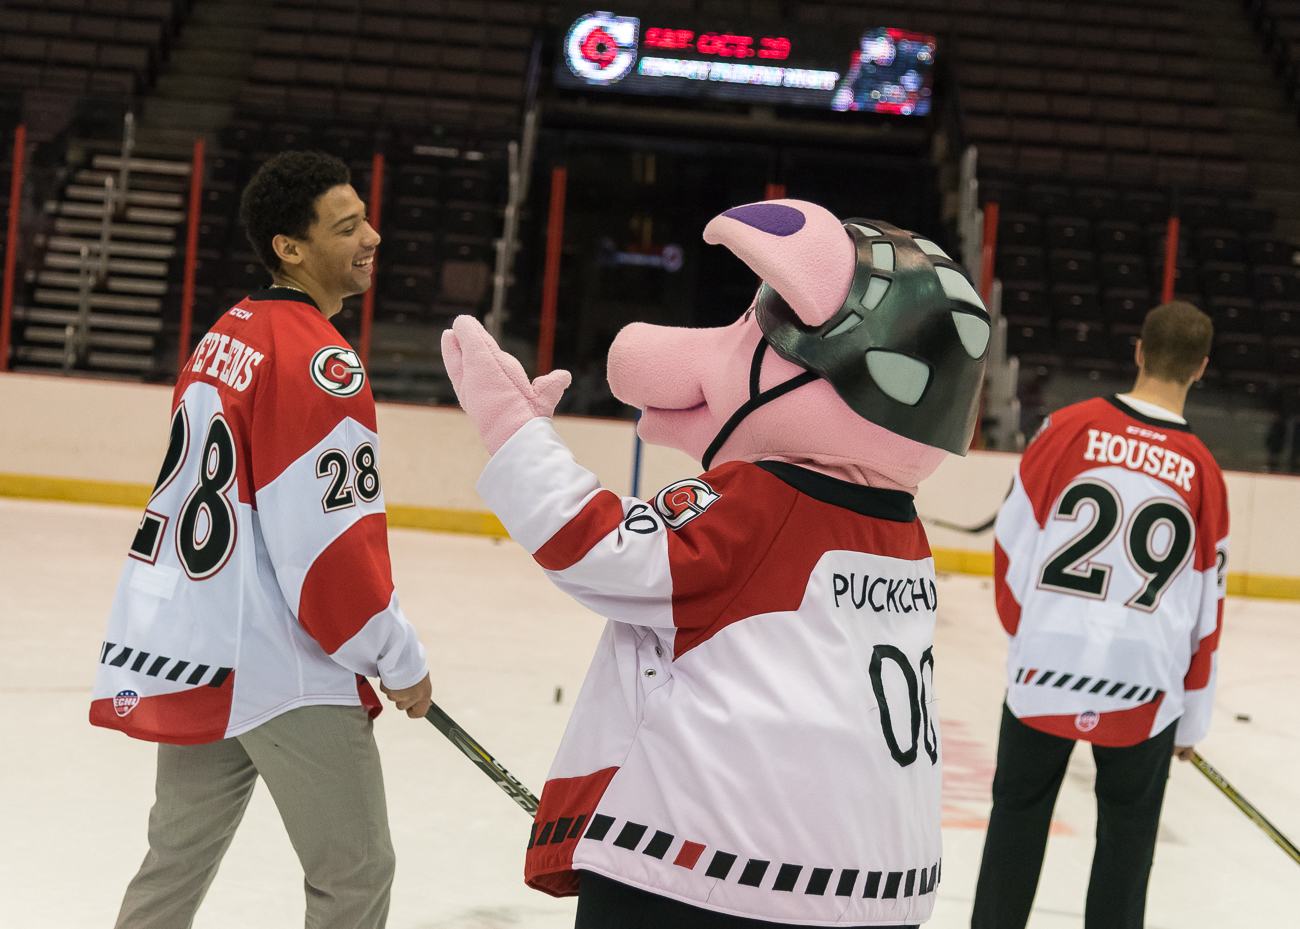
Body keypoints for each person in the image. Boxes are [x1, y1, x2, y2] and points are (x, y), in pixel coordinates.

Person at [90, 151, 433, 929]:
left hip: (200, 647)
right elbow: (328, 548)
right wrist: (397, 657)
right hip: (284, 661)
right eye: (347, 227)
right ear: (290, 247)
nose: (372, 236)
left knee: (175, 857)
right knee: (356, 870)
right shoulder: (320, 359)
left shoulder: (226, 333)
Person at [973, 300, 1229, 929]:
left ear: (1138, 351)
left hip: (1046, 668)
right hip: (1144, 685)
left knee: (1017, 820)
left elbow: (1010, 545)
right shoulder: (1204, 472)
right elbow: (1207, 613)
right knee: (1127, 844)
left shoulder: (1065, 427)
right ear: (1200, 368)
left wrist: (1030, 636)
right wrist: (1191, 722)